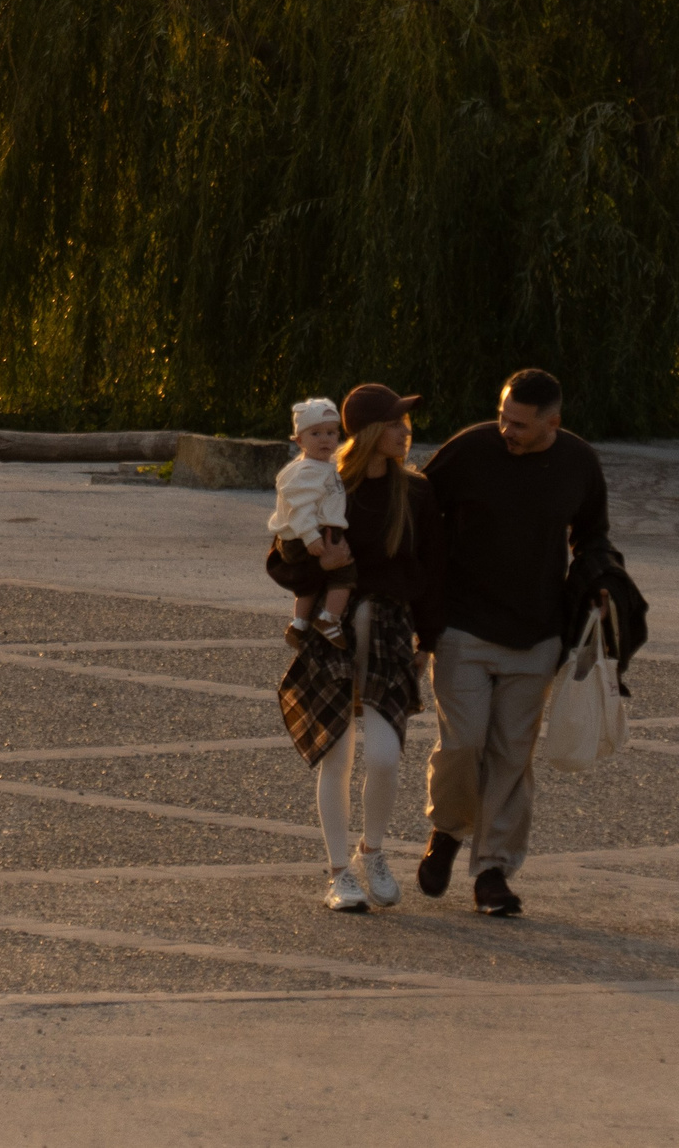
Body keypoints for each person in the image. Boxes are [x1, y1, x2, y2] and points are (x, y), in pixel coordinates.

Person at [415, 367, 621, 917]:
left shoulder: (578, 462)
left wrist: (599, 581)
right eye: (503, 417)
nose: (507, 430)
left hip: (537, 633)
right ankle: (448, 829)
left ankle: (492, 872)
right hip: (463, 627)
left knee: (511, 754)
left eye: (521, 425)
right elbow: (418, 512)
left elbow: (593, 534)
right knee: (463, 743)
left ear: (553, 422)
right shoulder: (469, 451)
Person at [277, 382, 442, 912]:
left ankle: (373, 852)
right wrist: (317, 564)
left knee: (387, 756)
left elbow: (432, 571)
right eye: (395, 424)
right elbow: (281, 558)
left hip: (391, 632)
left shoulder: (414, 491)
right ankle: (339, 873)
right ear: (370, 432)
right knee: (337, 753)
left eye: (406, 423)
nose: (405, 432)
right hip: (334, 629)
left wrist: (429, 639)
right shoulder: (326, 481)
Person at [266, 398, 355, 649]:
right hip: (310, 533)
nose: (325, 439)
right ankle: (329, 618)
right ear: (300, 441)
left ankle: (300, 623)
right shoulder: (306, 471)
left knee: (310, 583)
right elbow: (299, 506)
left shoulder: (323, 466)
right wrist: (310, 536)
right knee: (344, 572)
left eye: (331, 433)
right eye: (316, 433)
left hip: (310, 532)